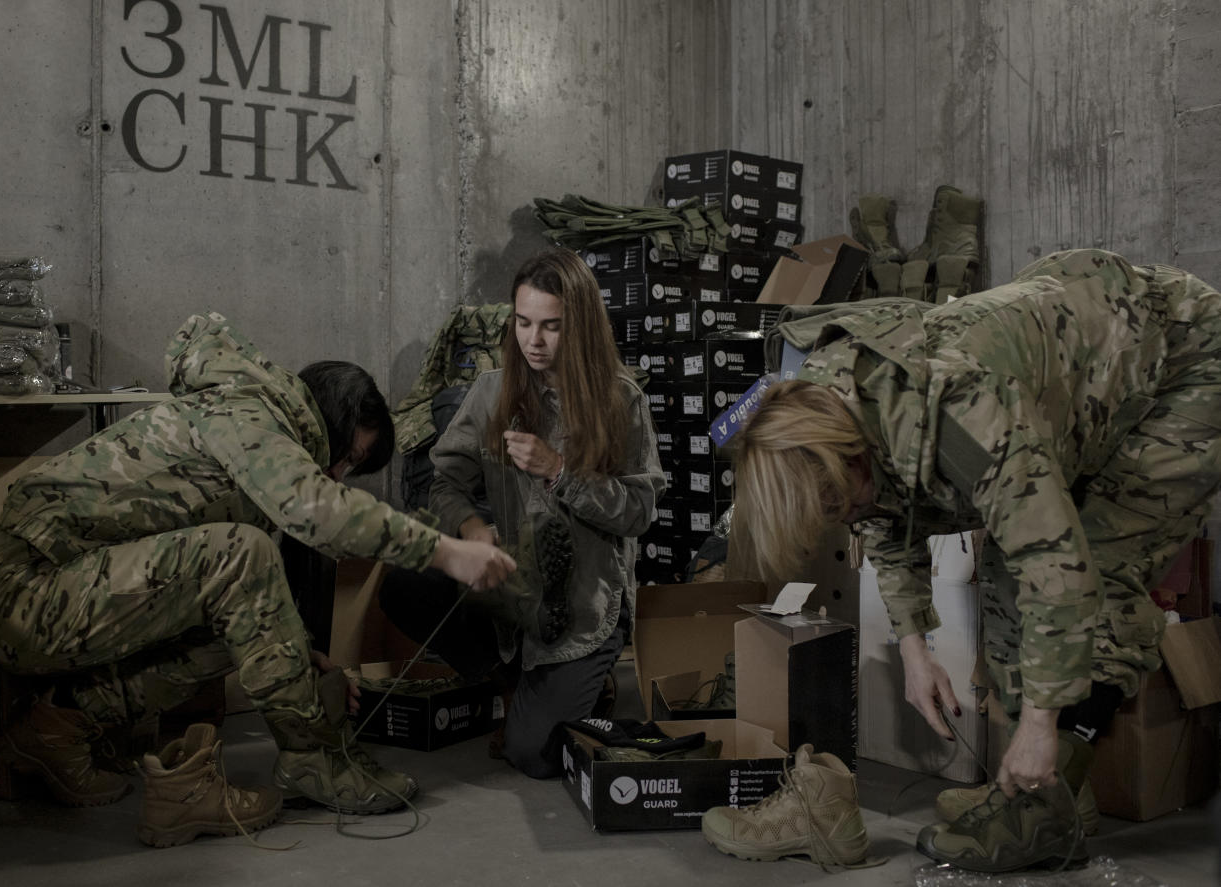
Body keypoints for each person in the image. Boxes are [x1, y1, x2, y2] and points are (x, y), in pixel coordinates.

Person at [733, 249, 1221, 872]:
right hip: (1083, 368)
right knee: (1005, 578)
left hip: (1181, 368)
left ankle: (1044, 803)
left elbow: (1059, 572)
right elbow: (881, 513)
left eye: (839, 505)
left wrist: (1041, 726)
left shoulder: (962, 416)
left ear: (850, 457)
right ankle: (1047, 793)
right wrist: (914, 649)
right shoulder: (825, 394)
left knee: (1096, 571)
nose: (845, 521)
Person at [0, 312, 514, 846]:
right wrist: (445, 551)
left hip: (63, 590)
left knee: (239, 612)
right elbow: (314, 509)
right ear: (324, 419)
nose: (339, 476)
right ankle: (312, 760)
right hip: (25, 591)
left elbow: (243, 601)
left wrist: (301, 654)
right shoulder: (249, 413)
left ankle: (59, 725)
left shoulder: (250, 417)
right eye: (347, 459)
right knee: (244, 552)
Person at [379, 248, 664, 777]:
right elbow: (442, 480)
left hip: (584, 606)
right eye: (523, 322)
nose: (533, 341)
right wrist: (471, 528)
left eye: (551, 327)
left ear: (579, 325)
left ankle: (587, 685)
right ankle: (507, 683)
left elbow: (640, 511)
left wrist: (561, 471)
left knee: (532, 756)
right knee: (403, 585)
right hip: (508, 590)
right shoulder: (491, 392)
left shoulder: (620, 400)